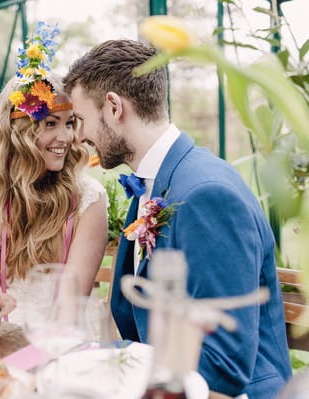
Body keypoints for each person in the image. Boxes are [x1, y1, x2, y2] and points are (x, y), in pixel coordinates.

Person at [64, 39, 291, 398]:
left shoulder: (206, 195)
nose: (78, 136)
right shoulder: (155, 182)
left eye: (79, 120)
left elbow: (224, 365)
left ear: (112, 107)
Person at [0, 23, 108, 320]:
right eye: (50, 124)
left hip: (59, 350)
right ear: (18, 132)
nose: (67, 137)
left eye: (70, 123)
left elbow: (69, 314)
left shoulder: (87, 201)